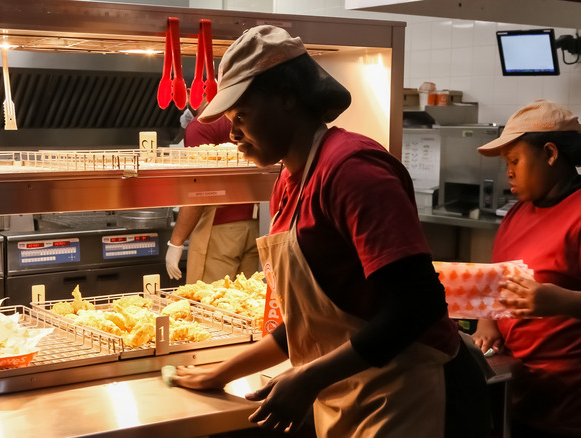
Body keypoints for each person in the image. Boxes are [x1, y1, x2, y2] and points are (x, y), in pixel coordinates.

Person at [171, 25, 489, 437]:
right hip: (359, 393)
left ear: (287, 98)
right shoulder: (290, 179)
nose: (232, 134)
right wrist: (222, 372)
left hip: (414, 392)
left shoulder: (353, 170)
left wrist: (307, 378)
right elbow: (316, 320)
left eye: (242, 116)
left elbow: (417, 303)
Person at [471, 99, 581, 438]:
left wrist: (561, 302)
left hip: (567, 405)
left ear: (550, 154)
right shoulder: (518, 213)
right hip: (515, 391)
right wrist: (487, 322)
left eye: (515, 160)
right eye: (507, 162)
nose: (509, 172)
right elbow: (497, 279)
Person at [165, 113, 260, 284]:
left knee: (209, 302)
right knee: (245, 302)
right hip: (255, 226)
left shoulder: (201, 125)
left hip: (219, 229)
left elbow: (199, 191)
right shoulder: (246, 116)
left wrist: (176, 243)